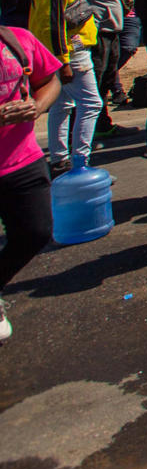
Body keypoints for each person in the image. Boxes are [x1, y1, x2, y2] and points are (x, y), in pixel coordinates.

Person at [0, 24, 64, 343]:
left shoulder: (15, 39)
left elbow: (49, 81)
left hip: (22, 158)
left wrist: (37, 107)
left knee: (35, 232)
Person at [28, 0, 106, 175]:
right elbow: (52, 24)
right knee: (92, 103)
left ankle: (60, 160)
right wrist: (63, 62)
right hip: (71, 54)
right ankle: (80, 162)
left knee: (63, 104)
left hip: (63, 53)